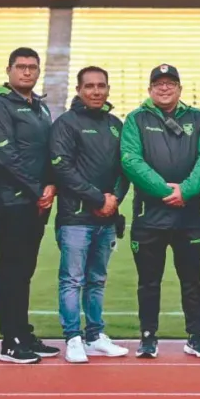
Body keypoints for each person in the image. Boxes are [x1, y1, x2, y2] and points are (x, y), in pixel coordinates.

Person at [121, 64, 200, 359]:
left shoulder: (198, 118)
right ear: (150, 89)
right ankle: (148, 337)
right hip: (148, 218)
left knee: (192, 281)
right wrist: (166, 191)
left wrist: (185, 191)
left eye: (171, 83)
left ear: (180, 88)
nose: (165, 88)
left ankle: (196, 336)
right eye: (159, 84)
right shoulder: (135, 119)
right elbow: (130, 160)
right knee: (148, 282)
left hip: (189, 217)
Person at [50, 66, 130, 363]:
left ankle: (95, 335)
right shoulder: (66, 124)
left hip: (106, 219)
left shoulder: (115, 124)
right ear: (79, 90)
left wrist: (114, 200)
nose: (96, 91)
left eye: (101, 86)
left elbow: (126, 168)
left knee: (97, 279)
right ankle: (72, 338)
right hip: (76, 218)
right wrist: (97, 198)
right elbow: (62, 169)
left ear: (108, 89)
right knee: (72, 279)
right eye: (90, 86)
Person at [0, 47, 59, 364]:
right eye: (21, 67)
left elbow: (48, 152)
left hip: (38, 202)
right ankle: (11, 340)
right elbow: (6, 156)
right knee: (13, 270)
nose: (27, 72)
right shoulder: (0, 106)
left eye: (32, 67)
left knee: (25, 270)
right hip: (13, 201)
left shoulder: (40, 108)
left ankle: (23, 331)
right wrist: (36, 189)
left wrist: (51, 185)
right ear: (9, 70)